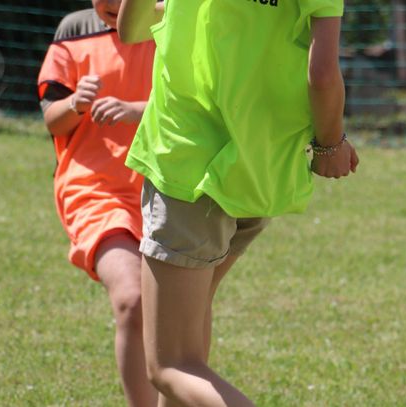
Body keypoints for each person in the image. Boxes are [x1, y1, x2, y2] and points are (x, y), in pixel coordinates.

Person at [118, 0, 358, 405]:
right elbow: (321, 73)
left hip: (189, 166)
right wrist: (330, 143)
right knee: (190, 337)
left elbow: (131, 28)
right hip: (261, 169)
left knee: (171, 366)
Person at [37, 1, 161, 405]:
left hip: (167, 188)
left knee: (176, 319)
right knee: (132, 299)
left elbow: (199, 103)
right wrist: (76, 102)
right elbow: (52, 118)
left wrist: (136, 111)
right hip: (95, 191)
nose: (109, 3)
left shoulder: (170, 22)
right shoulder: (74, 30)